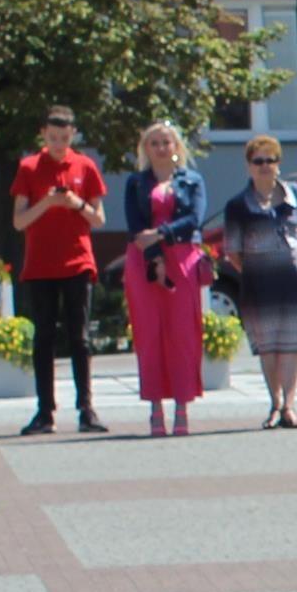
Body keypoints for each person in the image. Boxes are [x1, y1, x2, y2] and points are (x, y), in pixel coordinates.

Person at [11, 105, 110, 434]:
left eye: (64, 137)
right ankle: (45, 411)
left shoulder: (85, 166)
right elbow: (19, 220)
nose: (58, 143)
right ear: (43, 134)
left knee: (79, 337)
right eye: (52, 137)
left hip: (77, 262)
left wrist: (76, 203)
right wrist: (47, 203)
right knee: (44, 337)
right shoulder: (29, 167)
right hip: (41, 265)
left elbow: (98, 218)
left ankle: (86, 408)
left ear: (72, 135)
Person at [219, 135, 297, 429]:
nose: (265, 166)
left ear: (279, 164)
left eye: (271, 160)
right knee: (268, 344)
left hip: (296, 278)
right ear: (249, 165)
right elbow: (234, 252)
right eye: (258, 161)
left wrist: (294, 259)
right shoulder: (238, 205)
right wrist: (261, 262)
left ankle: (289, 405)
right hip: (258, 278)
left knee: (291, 342)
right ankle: (274, 403)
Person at [120, 123, 209, 439]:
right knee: (149, 335)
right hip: (143, 259)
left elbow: (193, 220)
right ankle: (155, 408)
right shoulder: (135, 183)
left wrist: (162, 234)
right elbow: (134, 224)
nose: (160, 148)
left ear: (176, 147)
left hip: (182, 260)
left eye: (166, 142)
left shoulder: (191, 180)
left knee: (182, 333)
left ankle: (182, 408)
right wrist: (153, 253)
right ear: (145, 149)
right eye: (154, 143)